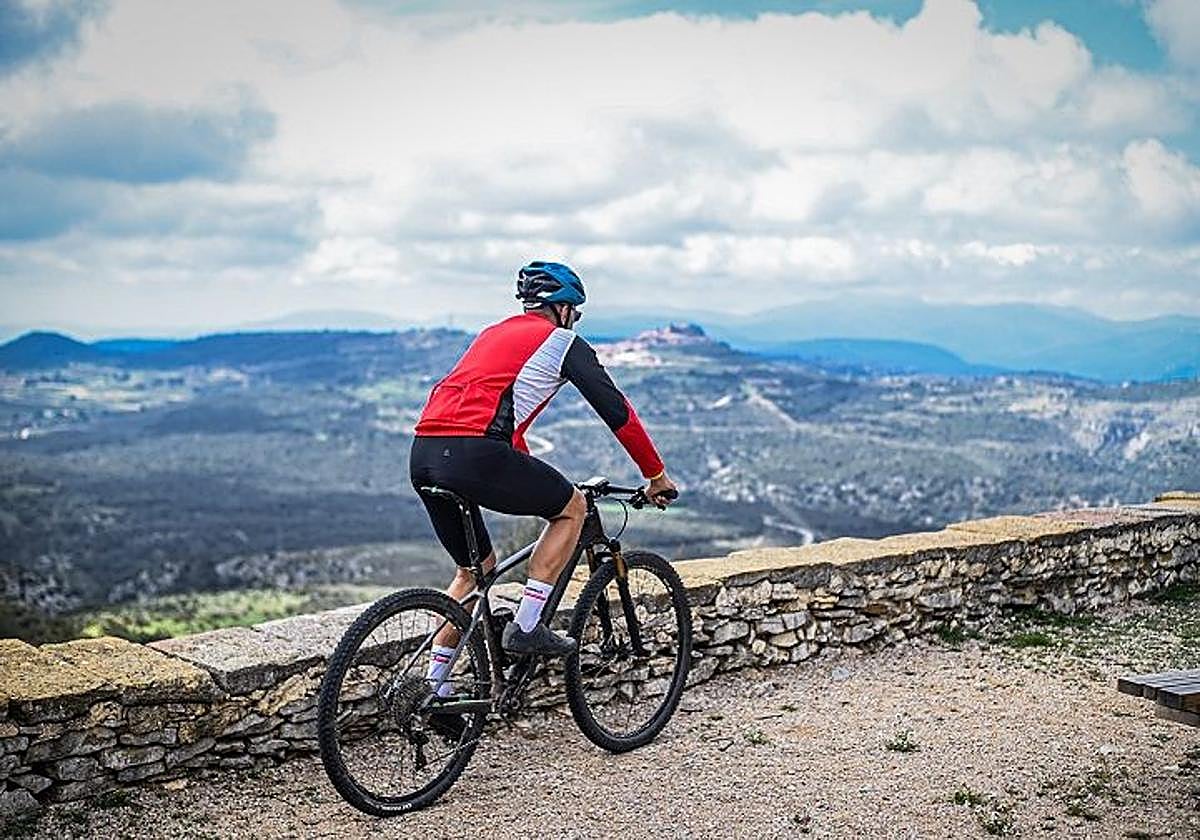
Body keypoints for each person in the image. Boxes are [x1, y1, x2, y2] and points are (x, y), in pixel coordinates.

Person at [409, 261, 678, 699]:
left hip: (423, 454)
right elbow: (618, 413)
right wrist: (656, 475)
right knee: (572, 508)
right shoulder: (564, 343)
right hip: (478, 453)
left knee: (473, 574)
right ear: (565, 308)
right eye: (577, 312)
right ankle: (528, 626)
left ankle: (428, 691)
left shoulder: (491, 334)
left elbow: (503, 426)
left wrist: (531, 475)